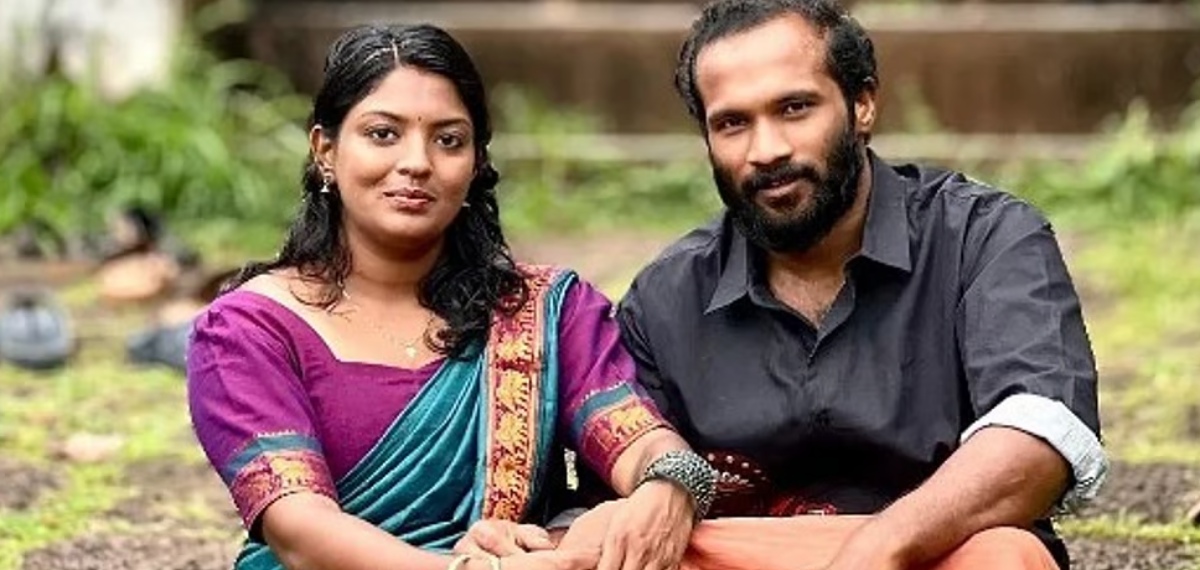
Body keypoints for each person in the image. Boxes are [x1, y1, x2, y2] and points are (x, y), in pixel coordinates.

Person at [551, 1, 1106, 569]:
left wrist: (879, 548)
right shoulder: (665, 300)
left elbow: (1039, 435)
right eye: (733, 123)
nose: (766, 150)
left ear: (862, 104)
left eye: (795, 108)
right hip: (739, 560)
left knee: (1002, 554)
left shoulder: (982, 239)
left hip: (934, 558)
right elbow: (613, 504)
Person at [185, 24, 714, 570]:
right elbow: (298, 529)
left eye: (449, 140)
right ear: (325, 150)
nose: (417, 162)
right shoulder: (249, 329)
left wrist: (668, 485)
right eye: (383, 134)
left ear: (477, 161)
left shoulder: (547, 312)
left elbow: (639, 440)